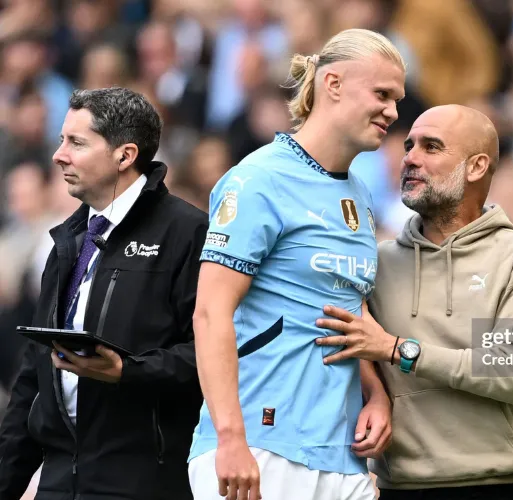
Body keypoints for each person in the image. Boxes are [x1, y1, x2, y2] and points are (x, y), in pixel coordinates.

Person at [188, 29, 406, 500]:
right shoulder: (258, 180)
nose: (393, 111)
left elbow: (343, 306)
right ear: (332, 84)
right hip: (260, 446)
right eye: (382, 94)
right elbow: (210, 312)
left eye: (397, 98)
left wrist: (376, 392)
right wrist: (230, 439)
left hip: (341, 450)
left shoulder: (361, 194)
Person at [315, 104, 513, 499]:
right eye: (410, 145)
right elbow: (350, 340)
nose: (410, 157)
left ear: (476, 167)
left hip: (507, 488)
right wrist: (376, 391)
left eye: (431, 147)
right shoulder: (374, 260)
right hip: (403, 488)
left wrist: (397, 350)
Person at [0, 87, 208, 499]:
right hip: (60, 477)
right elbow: (34, 377)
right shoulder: (68, 238)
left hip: (145, 479)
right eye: (61, 140)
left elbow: (213, 352)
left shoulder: (188, 233)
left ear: (125, 155)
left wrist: (129, 372)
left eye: (76, 142)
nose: (59, 155)